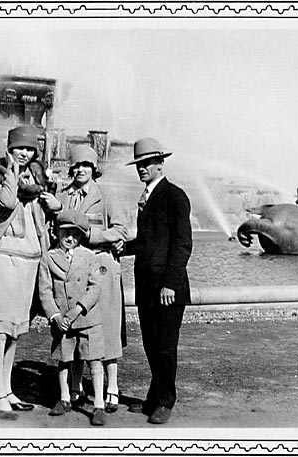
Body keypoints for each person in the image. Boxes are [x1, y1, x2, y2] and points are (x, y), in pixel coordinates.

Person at [40, 144, 129, 413]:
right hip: (73, 267)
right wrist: (55, 209)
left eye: (86, 166)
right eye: (76, 166)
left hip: (101, 264)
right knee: (77, 327)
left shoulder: (105, 194)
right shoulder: (65, 195)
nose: (80, 170)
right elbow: (59, 227)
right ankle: (75, 388)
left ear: (94, 169)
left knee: (108, 328)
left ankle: (111, 387)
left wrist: (91, 236)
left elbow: (121, 230)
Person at [0, 125, 55, 420]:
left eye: (30, 149)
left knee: (15, 333)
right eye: (19, 148)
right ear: (8, 147)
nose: (25, 153)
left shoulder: (37, 179)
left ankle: (8, 390)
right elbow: (8, 201)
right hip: (4, 260)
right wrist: (11, 169)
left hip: (29, 263)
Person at [122, 137, 192, 425]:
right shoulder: (148, 196)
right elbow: (150, 241)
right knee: (151, 344)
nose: (142, 168)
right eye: (139, 164)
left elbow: (182, 244)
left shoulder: (174, 196)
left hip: (166, 289)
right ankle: (154, 397)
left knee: (164, 346)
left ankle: (165, 401)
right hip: (146, 286)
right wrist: (123, 248)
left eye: (147, 163)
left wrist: (170, 284)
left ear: (160, 163)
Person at [43, 210, 107, 426]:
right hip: (62, 320)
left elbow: (95, 287)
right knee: (63, 358)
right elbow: (44, 291)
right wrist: (55, 316)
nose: (70, 238)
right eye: (66, 233)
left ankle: (99, 404)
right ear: (57, 232)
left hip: (86, 317)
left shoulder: (90, 257)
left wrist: (78, 309)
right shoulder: (48, 258)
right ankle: (64, 398)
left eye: (76, 235)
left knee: (94, 359)